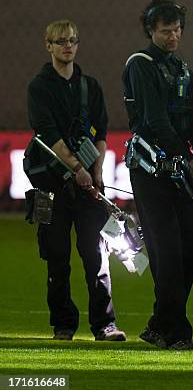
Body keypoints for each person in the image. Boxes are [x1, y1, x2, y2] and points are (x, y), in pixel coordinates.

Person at [122, 0, 193, 350]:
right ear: (151, 30)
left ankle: (159, 325)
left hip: (180, 171)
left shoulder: (184, 70)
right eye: (166, 30)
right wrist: (191, 161)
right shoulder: (140, 64)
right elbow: (154, 121)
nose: (173, 36)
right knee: (166, 250)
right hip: (150, 170)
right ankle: (176, 332)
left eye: (177, 30)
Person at [27, 19, 125, 341]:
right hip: (49, 185)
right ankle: (63, 325)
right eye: (60, 41)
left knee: (97, 255)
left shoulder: (90, 86)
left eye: (72, 40)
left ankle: (104, 324)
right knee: (56, 257)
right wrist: (77, 169)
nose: (67, 46)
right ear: (49, 46)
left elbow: (101, 131)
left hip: (87, 185)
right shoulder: (39, 87)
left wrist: (96, 171)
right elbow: (49, 136)